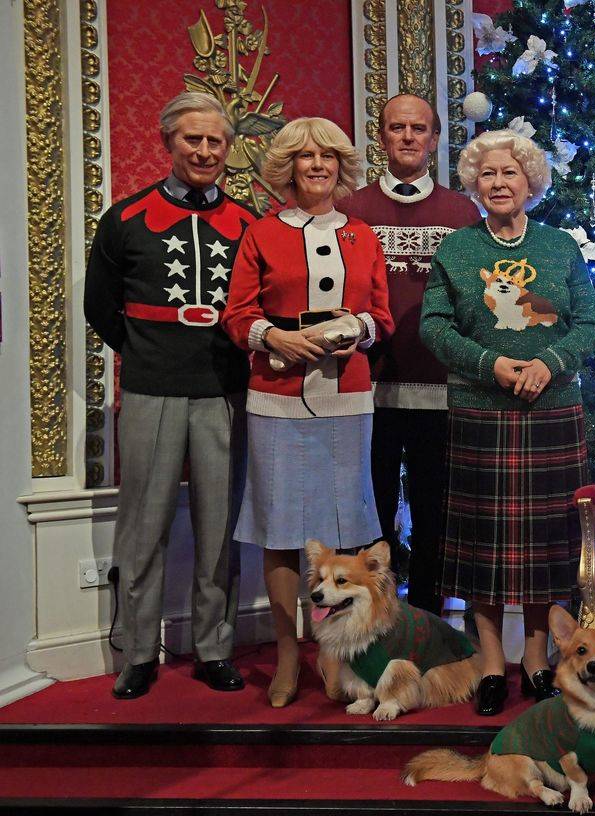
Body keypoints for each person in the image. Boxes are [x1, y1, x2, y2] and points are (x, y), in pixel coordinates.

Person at [420, 129, 595, 716]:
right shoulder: (457, 250)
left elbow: (591, 326)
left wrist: (548, 363)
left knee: (547, 550)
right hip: (481, 413)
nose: (499, 183)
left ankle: (536, 660)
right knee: (485, 550)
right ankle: (492, 663)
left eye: (511, 173)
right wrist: (491, 364)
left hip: (552, 413)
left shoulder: (559, 248)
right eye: (489, 175)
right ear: (475, 184)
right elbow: (434, 327)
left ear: (530, 182)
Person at [84, 91, 256, 700]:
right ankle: (136, 651)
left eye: (215, 141)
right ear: (169, 143)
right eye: (193, 139)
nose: (205, 151)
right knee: (143, 527)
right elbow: (99, 308)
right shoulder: (125, 218)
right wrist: (149, 353)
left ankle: (213, 647)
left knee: (218, 528)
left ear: (228, 149)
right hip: (151, 389)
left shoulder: (248, 226)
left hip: (223, 391)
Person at [221, 117, 394, 707]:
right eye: (305, 157)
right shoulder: (261, 234)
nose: (317, 166)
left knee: (347, 524)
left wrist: (358, 332)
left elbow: (381, 316)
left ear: (341, 168)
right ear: (288, 167)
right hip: (276, 398)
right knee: (280, 530)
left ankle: (338, 650)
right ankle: (288, 656)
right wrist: (275, 339)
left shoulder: (363, 235)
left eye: (327, 157)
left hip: (347, 398)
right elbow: (237, 314)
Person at [339, 94, 479, 614]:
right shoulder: (353, 210)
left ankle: (427, 616)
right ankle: (375, 619)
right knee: (370, 510)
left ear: (435, 139)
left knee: (433, 509)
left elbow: (473, 299)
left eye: (418, 128)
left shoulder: (461, 213)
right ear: (382, 137)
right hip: (367, 386)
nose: (407, 137)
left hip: (439, 387)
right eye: (396, 128)